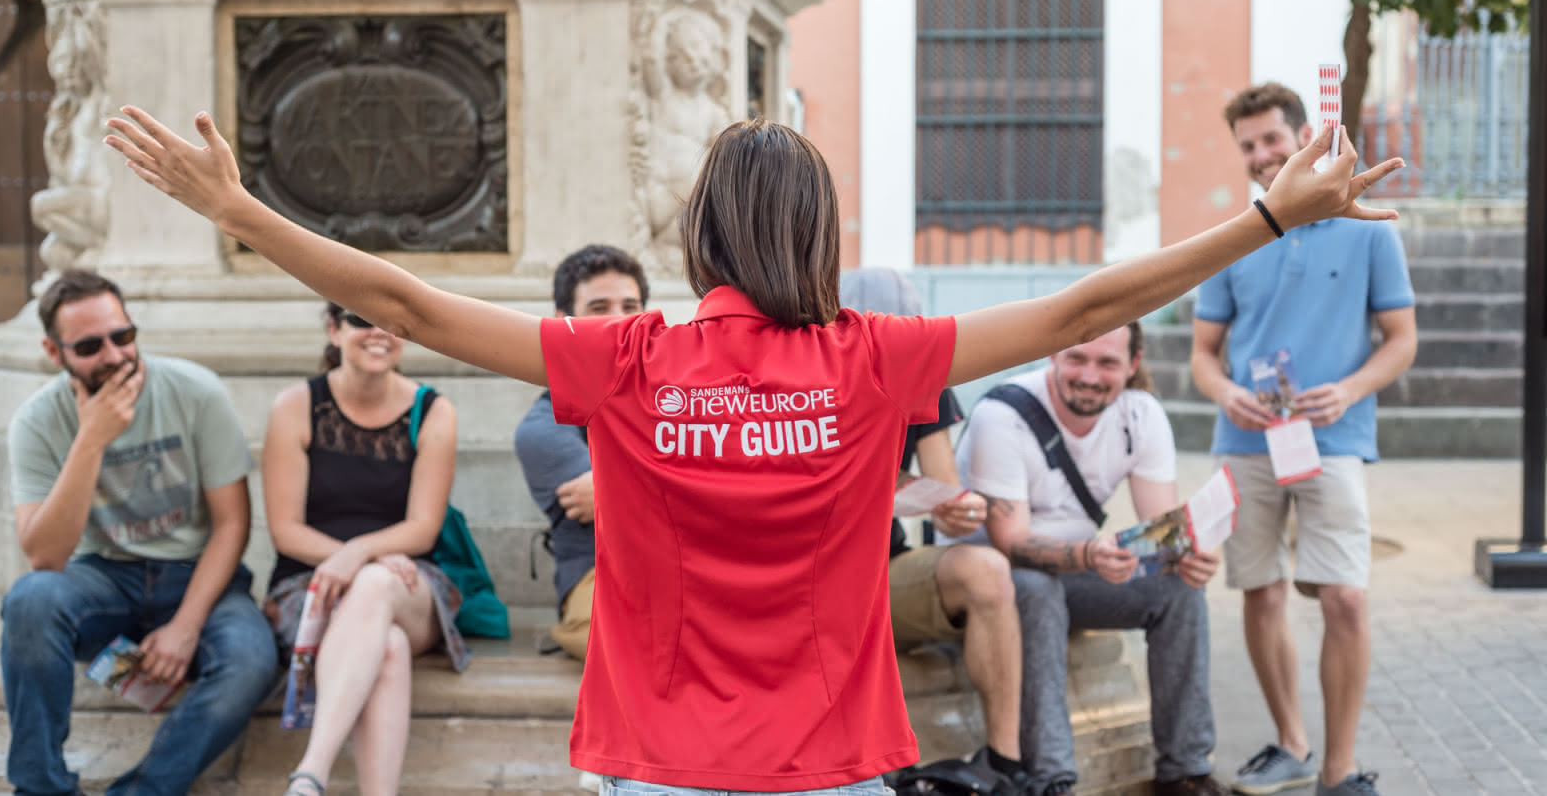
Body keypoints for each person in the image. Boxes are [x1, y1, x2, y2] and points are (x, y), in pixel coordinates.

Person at [105, 104, 1399, 796]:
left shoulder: (631, 361)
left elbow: (414, 305)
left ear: (704, 236)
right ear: (819, 235)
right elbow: (1082, 309)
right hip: (829, 769)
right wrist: (1269, 215)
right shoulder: (874, 358)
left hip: (660, 767)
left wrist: (241, 211)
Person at [1196, 84, 1417, 796]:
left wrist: (1349, 389)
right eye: (1248, 147)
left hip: (1334, 438)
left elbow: (1402, 340)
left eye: (1270, 139)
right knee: (1261, 593)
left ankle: (1338, 769)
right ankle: (1291, 741)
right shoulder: (1236, 235)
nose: (1261, 156)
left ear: (1303, 138)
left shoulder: (1369, 227)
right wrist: (1227, 391)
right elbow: (1203, 356)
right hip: (1246, 438)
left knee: (1345, 599)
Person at [0, 269, 277, 796]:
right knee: (29, 602)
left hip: (198, 578)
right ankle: (40, 789)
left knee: (251, 660)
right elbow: (44, 556)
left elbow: (233, 523)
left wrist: (186, 627)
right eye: (88, 346)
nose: (113, 355)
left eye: (122, 336)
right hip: (102, 580)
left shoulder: (196, 392)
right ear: (53, 352)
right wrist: (91, 441)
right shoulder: (36, 421)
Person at [954, 323, 1226, 796]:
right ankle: (1051, 778)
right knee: (1037, 588)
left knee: (1179, 587)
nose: (1090, 375)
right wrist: (1087, 554)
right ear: (1053, 352)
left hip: (1079, 569)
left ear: (1133, 366)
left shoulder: (1140, 414)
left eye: (1107, 363)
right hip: (988, 581)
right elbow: (1009, 540)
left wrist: (1191, 554)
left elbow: (1160, 526)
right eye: (1077, 358)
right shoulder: (1004, 413)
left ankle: (1185, 770)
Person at [262, 303, 474, 796]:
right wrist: (351, 559)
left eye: (392, 323)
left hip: (409, 583)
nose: (378, 333)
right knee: (389, 650)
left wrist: (360, 555)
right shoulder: (295, 406)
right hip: (310, 585)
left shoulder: (433, 410)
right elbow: (285, 530)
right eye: (361, 320)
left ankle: (310, 771)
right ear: (334, 331)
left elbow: (422, 530)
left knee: (377, 585)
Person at [840, 268, 1032, 796]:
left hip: (889, 565)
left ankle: (1004, 761)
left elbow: (944, 487)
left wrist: (956, 509)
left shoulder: (921, 374)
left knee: (987, 571)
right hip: (823, 571)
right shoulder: (815, 378)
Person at [514, 244, 650, 659]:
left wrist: (614, 489)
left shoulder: (675, 399)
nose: (620, 320)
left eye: (631, 305)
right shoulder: (541, 428)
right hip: (599, 582)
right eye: (598, 307)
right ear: (562, 322)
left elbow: (620, 499)